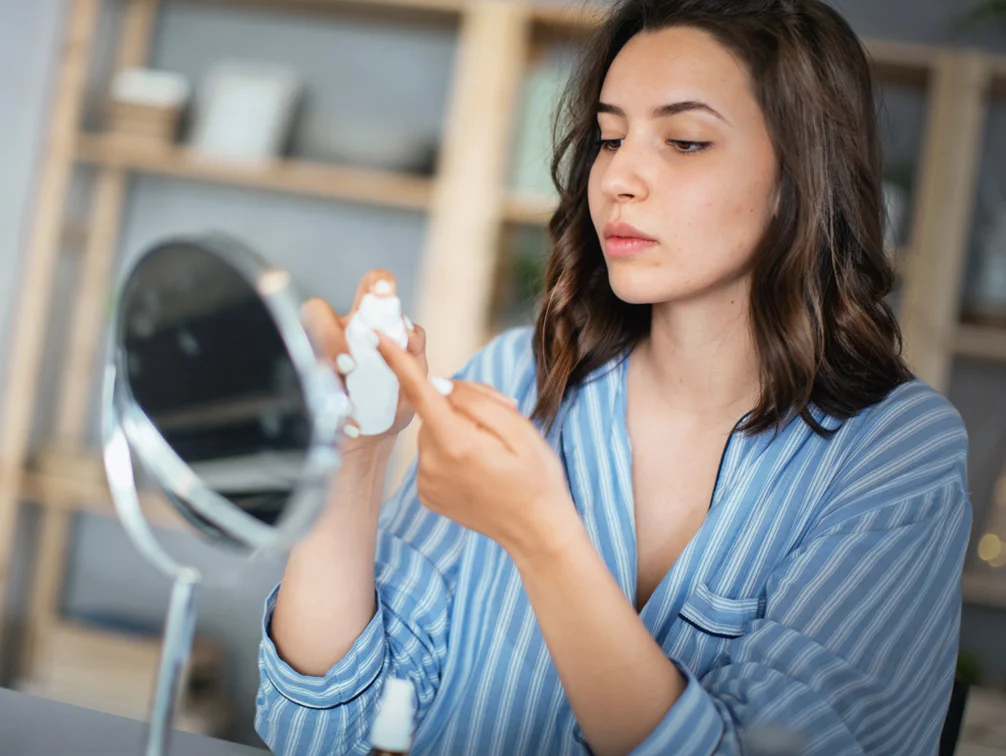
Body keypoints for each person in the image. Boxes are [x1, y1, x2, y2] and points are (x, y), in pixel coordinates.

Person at [255, 0, 972, 753]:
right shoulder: (515, 379)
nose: (619, 176)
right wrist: (355, 455)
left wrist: (541, 536)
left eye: (687, 141)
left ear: (801, 176)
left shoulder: (897, 452)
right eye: (609, 137)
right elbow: (321, 730)